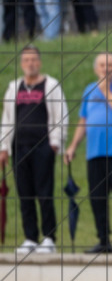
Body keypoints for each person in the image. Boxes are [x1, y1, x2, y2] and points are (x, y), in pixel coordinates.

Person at [64, 52, 112, 254]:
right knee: (97, 198)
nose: (106, 69)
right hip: (94, 154)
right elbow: (84, 121)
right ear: (96, 69)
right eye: (102, 65)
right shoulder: (89, 90)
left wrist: (106, 91)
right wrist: (73, 146)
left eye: (110, 65)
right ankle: (103, 240)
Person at [0, 46, 67, 254]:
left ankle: (49, 237)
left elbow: (61, 114)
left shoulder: (51, 85)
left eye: (34, 60)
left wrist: (55, 143)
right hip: (19, 148)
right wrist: (3, 147)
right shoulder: (14, 88)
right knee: (24, 193)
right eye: (27, 60)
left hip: (43, 148)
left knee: (44, 192)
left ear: (40, 62)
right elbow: (7, 119)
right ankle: (30, 237)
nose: (31, 64)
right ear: (22, 64)